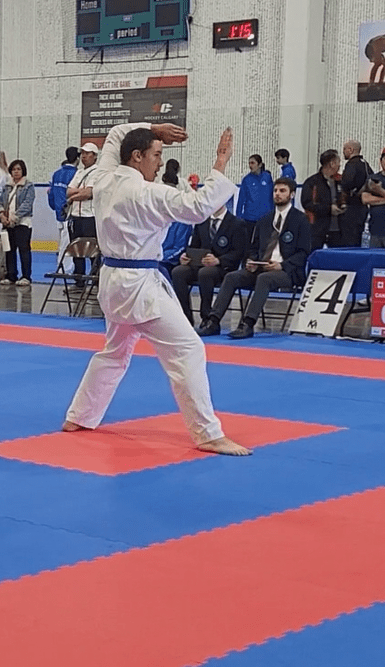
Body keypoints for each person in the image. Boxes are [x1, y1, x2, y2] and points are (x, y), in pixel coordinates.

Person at [62, 121, 250, 456]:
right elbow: (199, 207)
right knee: (188, 349)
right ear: (137, 156)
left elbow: (115, 134)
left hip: (112, 281)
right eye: (157, 154)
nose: (161, 163)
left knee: (115, 352)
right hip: (138, 288)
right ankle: (207, 433)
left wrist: (153, 128)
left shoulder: (104, 178)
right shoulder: (147, 193)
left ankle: (80, 415)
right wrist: (221, 161)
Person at [198, 178, 311, 340]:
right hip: (261, 267)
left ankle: (247, 323)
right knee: (231, 277)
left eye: (282, 191)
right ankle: (213, 321)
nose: (277, 194)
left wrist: (282, 265)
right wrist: (252, 261)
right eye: (275, 191)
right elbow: (253, 248)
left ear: (292, 194)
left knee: (265, 279)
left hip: (287, 271)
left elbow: (303, 252)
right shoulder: (264, 220)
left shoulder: (300, 220)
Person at [170, 202, 247, 324]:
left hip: (223, 267)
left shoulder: (237, 223)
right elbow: (194, 246)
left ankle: (206, 317)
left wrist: (218, 260)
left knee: (205, 273)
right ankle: (185, 317)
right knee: (178, 272)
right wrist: (186, 256)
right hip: (201, 264)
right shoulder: (202, 222)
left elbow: (239, 252)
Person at [65, 142, 100, 288]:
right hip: (76, 216)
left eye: (87, 153)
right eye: (83, 154)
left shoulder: (97, 172)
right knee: (76, 250)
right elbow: (68, 191)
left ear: (95, 156)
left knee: (93, 250)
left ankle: (96, 280)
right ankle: (79, 280)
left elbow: (88, 193)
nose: (84, 156)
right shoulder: (79, 172)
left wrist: (74, 197)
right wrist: (77, 194)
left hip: (89, 216)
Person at [0, 159, 35, 287]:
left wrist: (15, 217)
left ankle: (26, 276)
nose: (16, 172)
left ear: (23, 171)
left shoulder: (28, 186)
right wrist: (2, 215)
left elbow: (27, 204)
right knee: (9, 250)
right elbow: (0, 202)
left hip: (22, 223)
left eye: (19, 169)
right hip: (7, 224)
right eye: (14, 169)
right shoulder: (7, 186)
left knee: (24, 250)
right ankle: (11, 275)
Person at [301, 149, 345, 250]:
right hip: (317, 228)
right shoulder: (312, 182)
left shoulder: (340, 181)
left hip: (337, 230)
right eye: (338, 162)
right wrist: (328, 209)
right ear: (332, 164)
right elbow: (307, 203)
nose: (339, 165)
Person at [50, 146, 80, 273]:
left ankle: (62, 267)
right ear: (77, 158)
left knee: (63, 242)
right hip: (70, 213)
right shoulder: (77, 174)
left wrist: (56, 208)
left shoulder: (56, 174)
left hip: (59, 213)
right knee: (67, 243)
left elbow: (51, 194)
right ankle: (64, 269)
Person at [338, 140, 373, 247]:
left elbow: (346, 183)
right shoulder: (365, 164)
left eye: (344, 149)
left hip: (351, 208)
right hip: (362, 208)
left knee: (349, 240)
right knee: (358, 238)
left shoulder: (351, 164)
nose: (343, 152)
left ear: (351, 150)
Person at [236, 154, 274, 241]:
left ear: (259, 164)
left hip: (266, 215)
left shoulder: (267, 177)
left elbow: (272, 196)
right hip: (250, 216)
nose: (250, 165)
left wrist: (274, 213)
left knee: (265, 242)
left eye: (252, 163)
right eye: (249, 163)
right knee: (249, 241)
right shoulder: (246, 179)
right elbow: (241, 199)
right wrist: (238, 216)